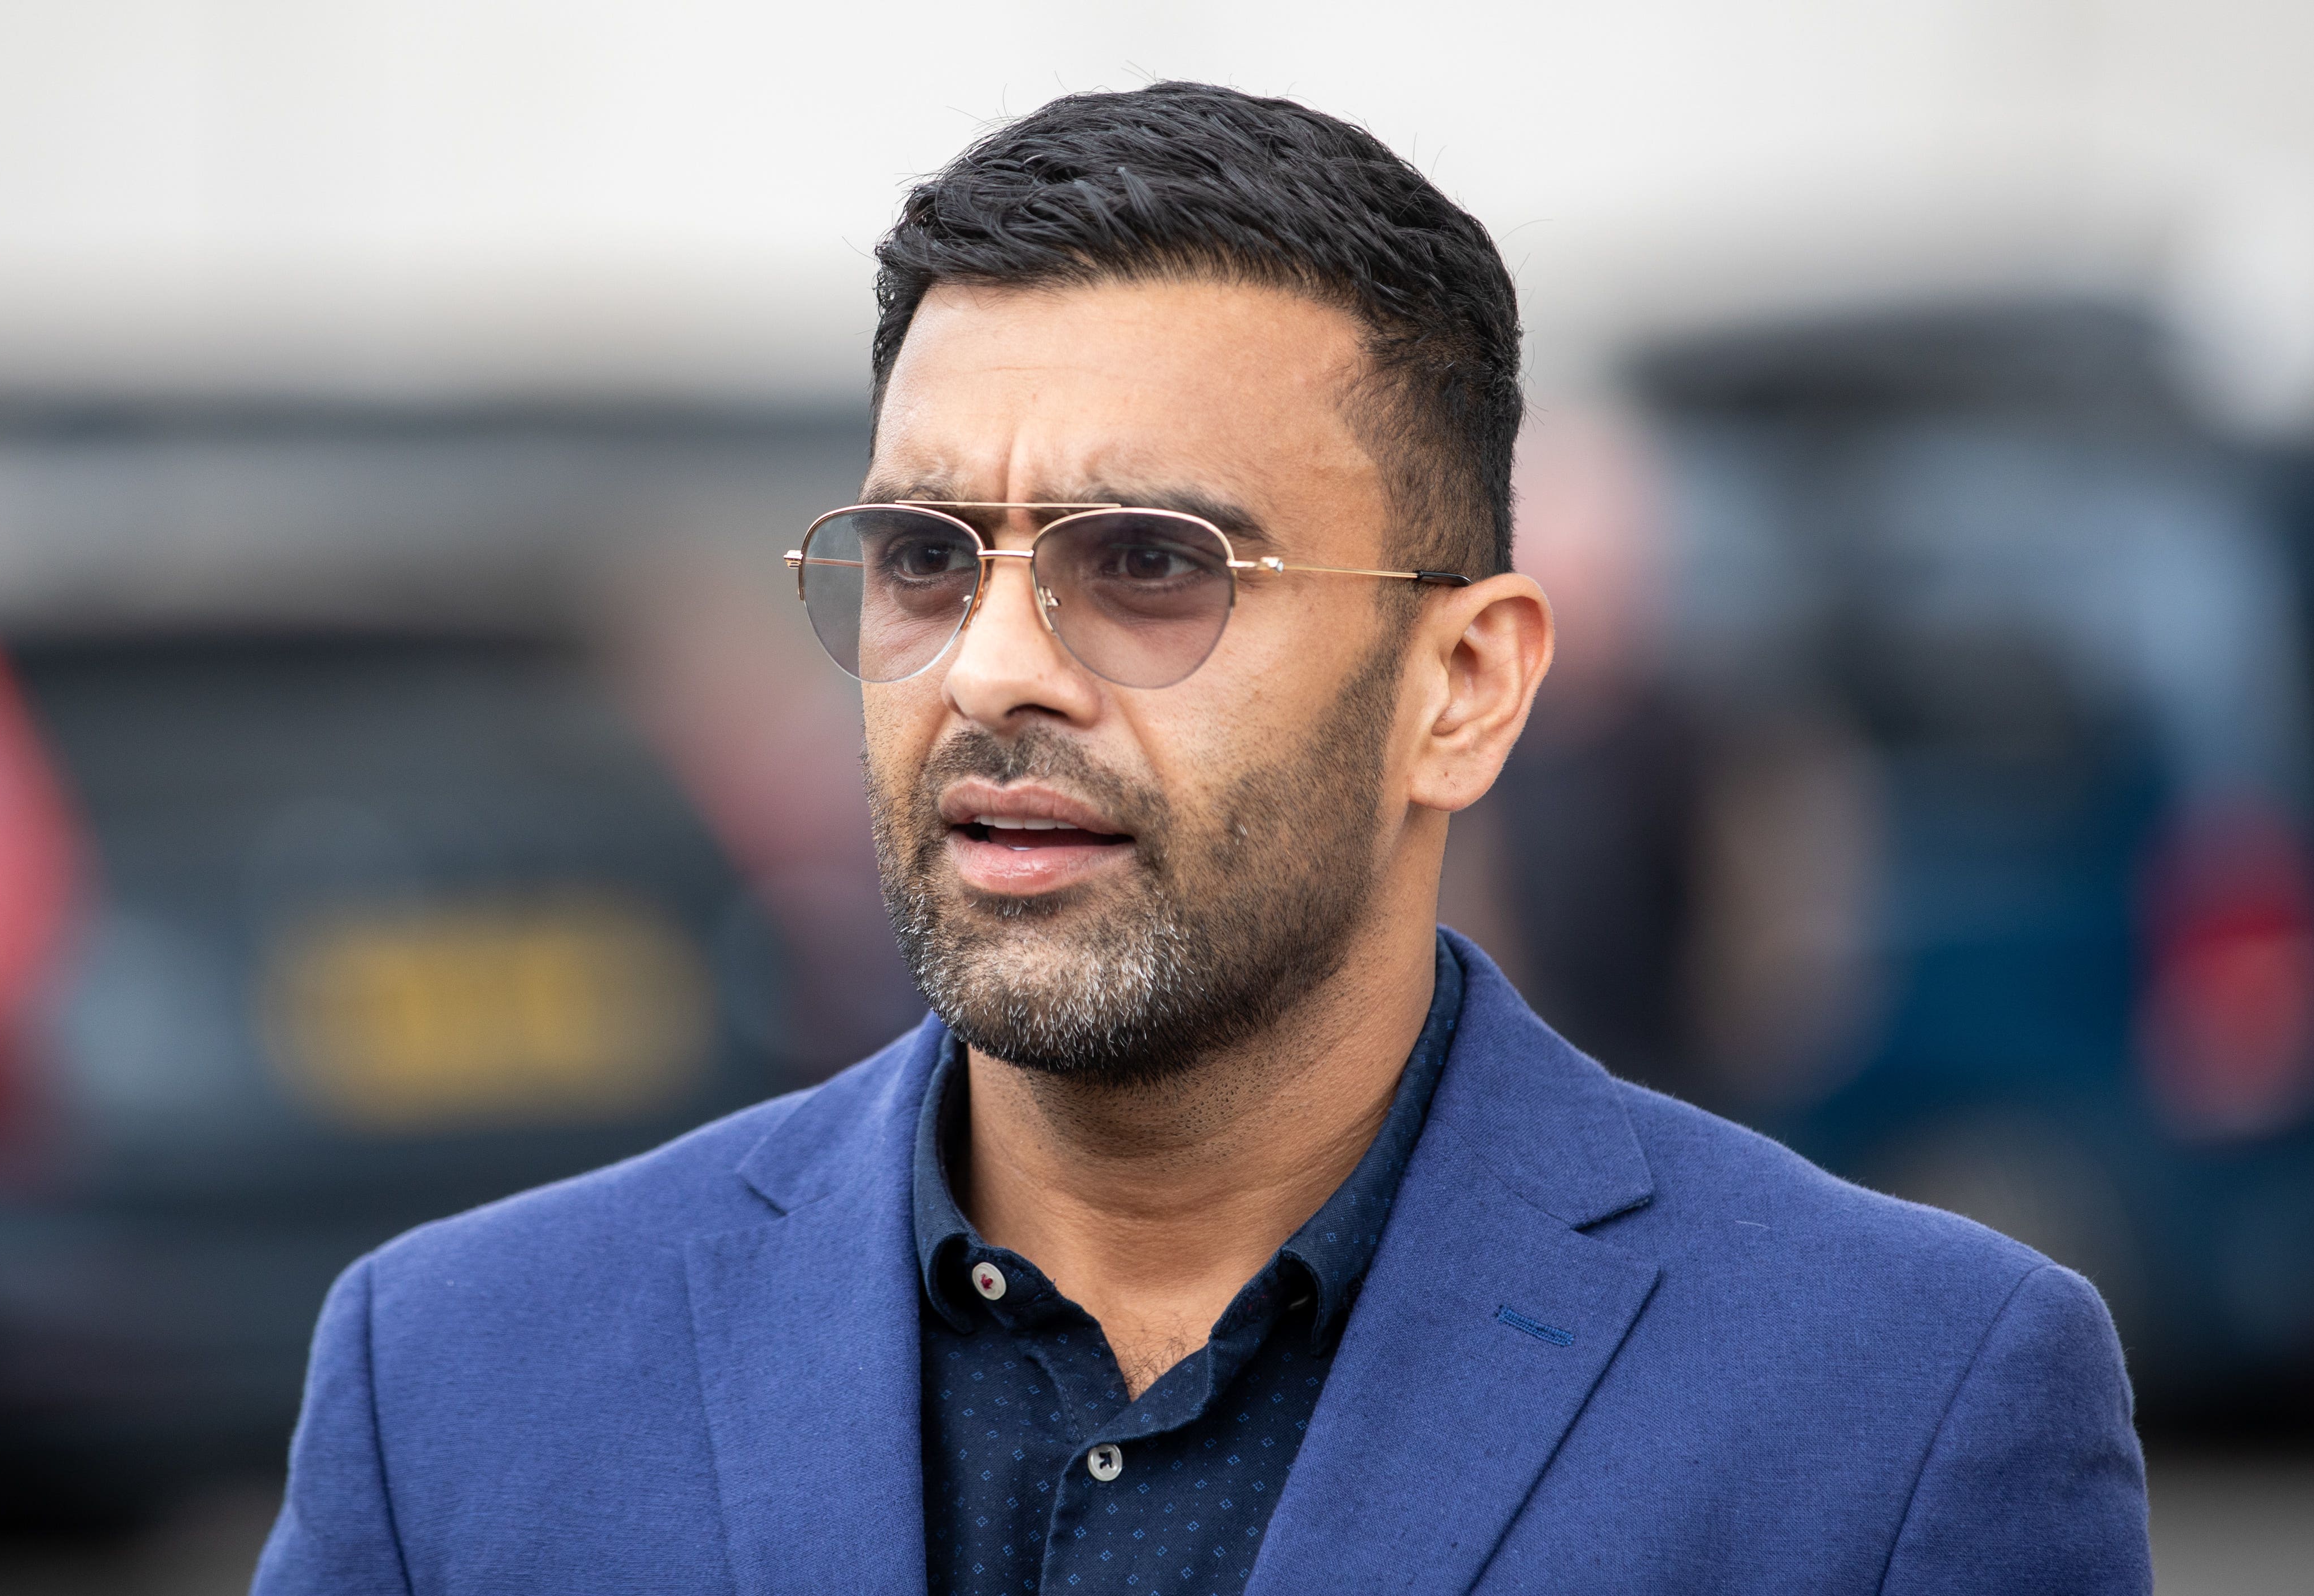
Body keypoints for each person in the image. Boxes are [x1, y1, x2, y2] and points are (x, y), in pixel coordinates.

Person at [253, 83, 2149, 1594]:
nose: (992, 665)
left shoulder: (1902, 1409)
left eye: (1149, 564)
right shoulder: (460, 1385)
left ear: (1463, 685)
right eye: (923, 558)